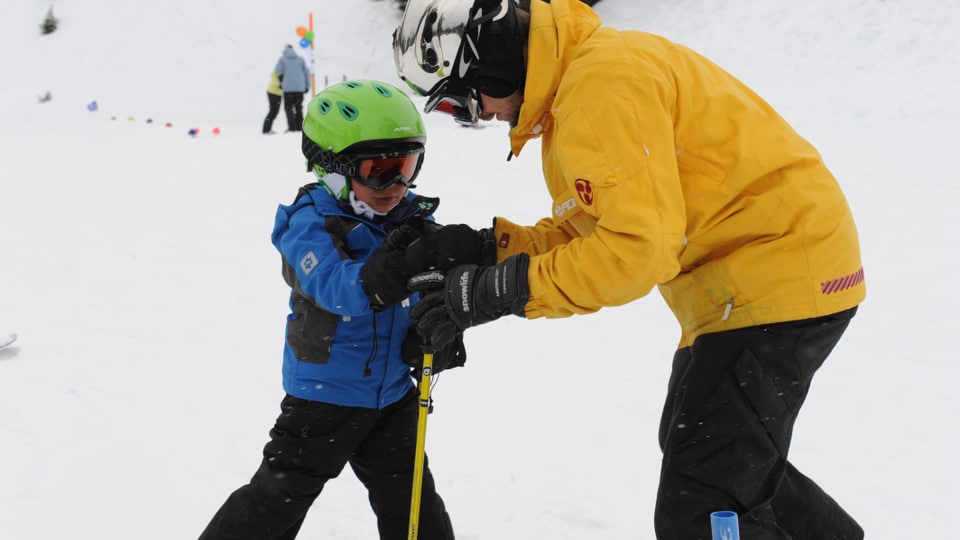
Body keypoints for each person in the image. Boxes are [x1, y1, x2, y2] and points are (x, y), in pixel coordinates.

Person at [393, 1, 866, 539]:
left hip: (774, 268)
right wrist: (489, 251)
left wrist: (497, 291)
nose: (478, 118)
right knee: (720, 461)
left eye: (460, 104)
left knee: (701, 502)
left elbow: (637, 251)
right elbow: (594, 230)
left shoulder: (600, 88)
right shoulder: (582, 84)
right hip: (764, 270)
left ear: (492, 61)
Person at [198, 79, 489, 540]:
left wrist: (439, 326)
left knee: (414, 507)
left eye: (407, 166)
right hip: (324, 397)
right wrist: (402, 266)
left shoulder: (412, 219)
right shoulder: (308, 223)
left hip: (393, 396)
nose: (396, 185)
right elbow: (338, 286)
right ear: (331, 166)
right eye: (379, 169)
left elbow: (428, 289)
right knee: (274, 502)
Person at [274, 44, 311, 132]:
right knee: (299, 107)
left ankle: (292, 127)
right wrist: (307, 86)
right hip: (300, 88)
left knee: (288, 107)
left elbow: (277, 71)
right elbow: (307, 73)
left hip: (288, 89)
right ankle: (300, 127)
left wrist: (282, 78)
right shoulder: (300, 59)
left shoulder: (282, 59)